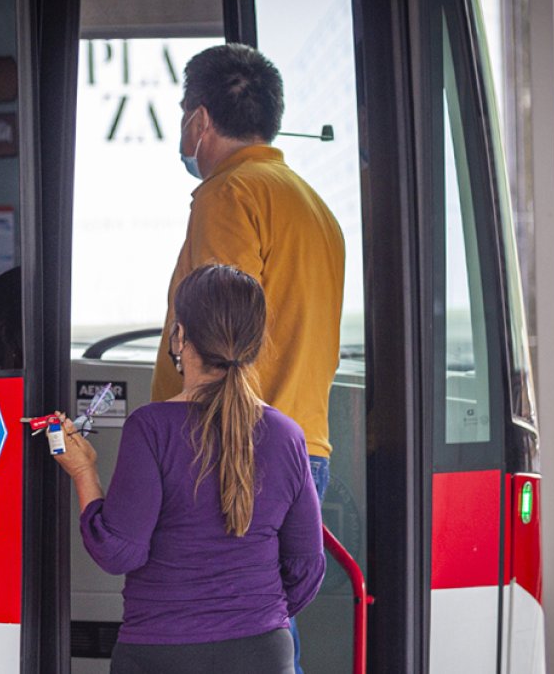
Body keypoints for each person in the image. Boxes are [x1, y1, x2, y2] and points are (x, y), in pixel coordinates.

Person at [151, 44, 345, 669]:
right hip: (300, 448)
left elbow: (217, 328)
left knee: (221, 641)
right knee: (265, 632)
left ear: (200, 121)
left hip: (232, 452)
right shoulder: (315, 208)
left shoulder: (228, 194)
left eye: (186, 115)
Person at [54, 264, 325, 674]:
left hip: (161, 653)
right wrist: (250, 614)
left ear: (180, 336)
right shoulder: (287, 435)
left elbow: (119, 551)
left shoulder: (151, 428)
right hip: (263, 652)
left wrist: (83, 472)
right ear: (254, 342)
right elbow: (307, 567)